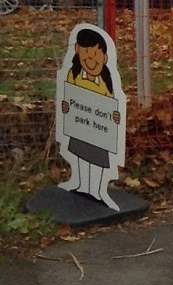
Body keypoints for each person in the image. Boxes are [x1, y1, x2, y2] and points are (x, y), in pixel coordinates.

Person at [59, 27, 122, 210]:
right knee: (80, 156)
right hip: (80, 126)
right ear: (77, 52)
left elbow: (112, 106)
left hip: (100, 130)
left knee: (98, 161)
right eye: (85, 53)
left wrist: (115, 116)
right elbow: (68, 96)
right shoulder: (74, 74)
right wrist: (66, 107)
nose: (90, 59)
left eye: (95, 54)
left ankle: (98, 190)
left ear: (105, 57)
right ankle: (80, 184)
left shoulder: (105, 82)